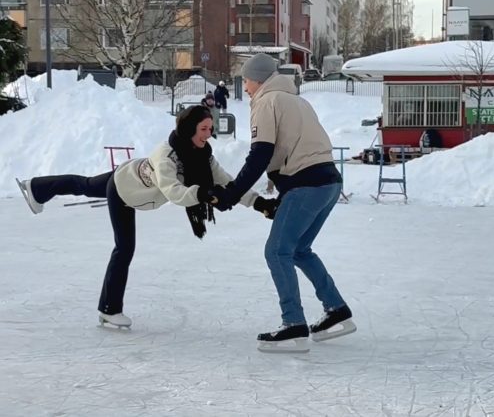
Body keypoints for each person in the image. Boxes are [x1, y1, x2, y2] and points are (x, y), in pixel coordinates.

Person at [16, 106, 276, 329]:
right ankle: (109, 308)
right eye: (204, 129)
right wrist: (204, 194)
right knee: (124, 247)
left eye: (210, 128)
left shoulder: (203, 156)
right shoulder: (167, 156)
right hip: (124, 190)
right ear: (189, 130)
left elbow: (229, 182)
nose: (209, 134)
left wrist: (258, 203)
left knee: (83, 185)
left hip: (129, 175)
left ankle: (36, 188)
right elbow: (173, 191)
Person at [210, 53, 356, 352]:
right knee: (299, 250)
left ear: (259, 79)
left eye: (247, 80)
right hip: (328, 182)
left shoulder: (267, 101)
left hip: (306, 184)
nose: (246, 86)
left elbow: (260, 155)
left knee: (277, 251)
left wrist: (232, 194)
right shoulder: (297, 101)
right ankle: (336, 310)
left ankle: (294, 325)